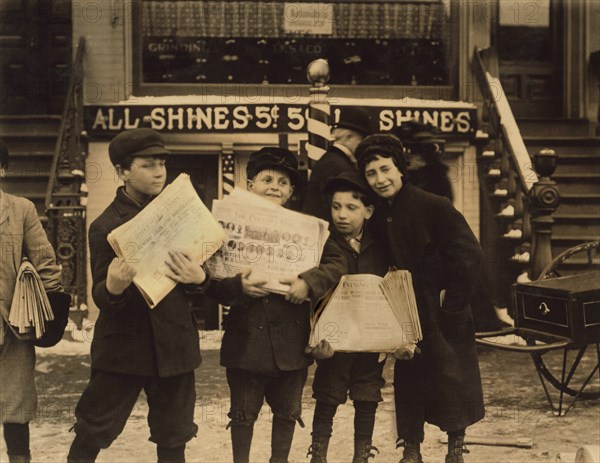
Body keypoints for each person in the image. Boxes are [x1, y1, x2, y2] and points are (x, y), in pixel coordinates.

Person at [67, 128, 209, 463]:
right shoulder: (106, 226)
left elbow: (201, 278)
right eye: (148, 165)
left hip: (174, 345)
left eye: (161, 163)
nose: (159, 171)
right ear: (123, 171)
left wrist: (198, 278)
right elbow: (101, 293)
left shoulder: (181, 213)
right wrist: (114, 287)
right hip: (124, 349)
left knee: (174, 435)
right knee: (93, 429)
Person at [206, 147, 347, 463]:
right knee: (242, 416)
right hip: (246, 344)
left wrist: (308, 283)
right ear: (251, 183)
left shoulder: (306, 228)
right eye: (267, 179)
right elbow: (208, 281)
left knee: (287, 414)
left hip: (291, 344)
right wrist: (237, 287)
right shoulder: (225, 226)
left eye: (283, 183)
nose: (274, 187)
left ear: (291, 192)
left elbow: (337, 262)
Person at [355, 134, 485, 463]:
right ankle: (411, 448)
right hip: (406, 307)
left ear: (400, 168)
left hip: (441, 307)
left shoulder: (433, 204)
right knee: (410, 379)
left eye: (385, 169)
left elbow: (469, 253)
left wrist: (452, 301)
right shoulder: (380, 215)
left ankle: (455, 446)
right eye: (371, 174)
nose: (380, 179)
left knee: (452, 377)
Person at [305, 171, 390, 463]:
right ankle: (319, 453)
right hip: (334, 339)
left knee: (367, 395)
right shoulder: (322, 244)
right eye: (336, 206)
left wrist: (392, 336)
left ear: (368, 211)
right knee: (327, 394)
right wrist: (314, 336)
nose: (342, 215)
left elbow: (394, 287)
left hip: (369, 338)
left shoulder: (381, 247)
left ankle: (362, 455)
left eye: (351, 208)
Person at [0, 142, 62, 463]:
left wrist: (52, 313)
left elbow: (45, 262)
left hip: (13, 328)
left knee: (16, 410)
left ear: (2, 170)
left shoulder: (20, 209)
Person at [303, 106, 372, 222]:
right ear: (349, 138)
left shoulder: (331, 160)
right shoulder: (340, 167)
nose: (365, 146)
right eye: (362, 140)